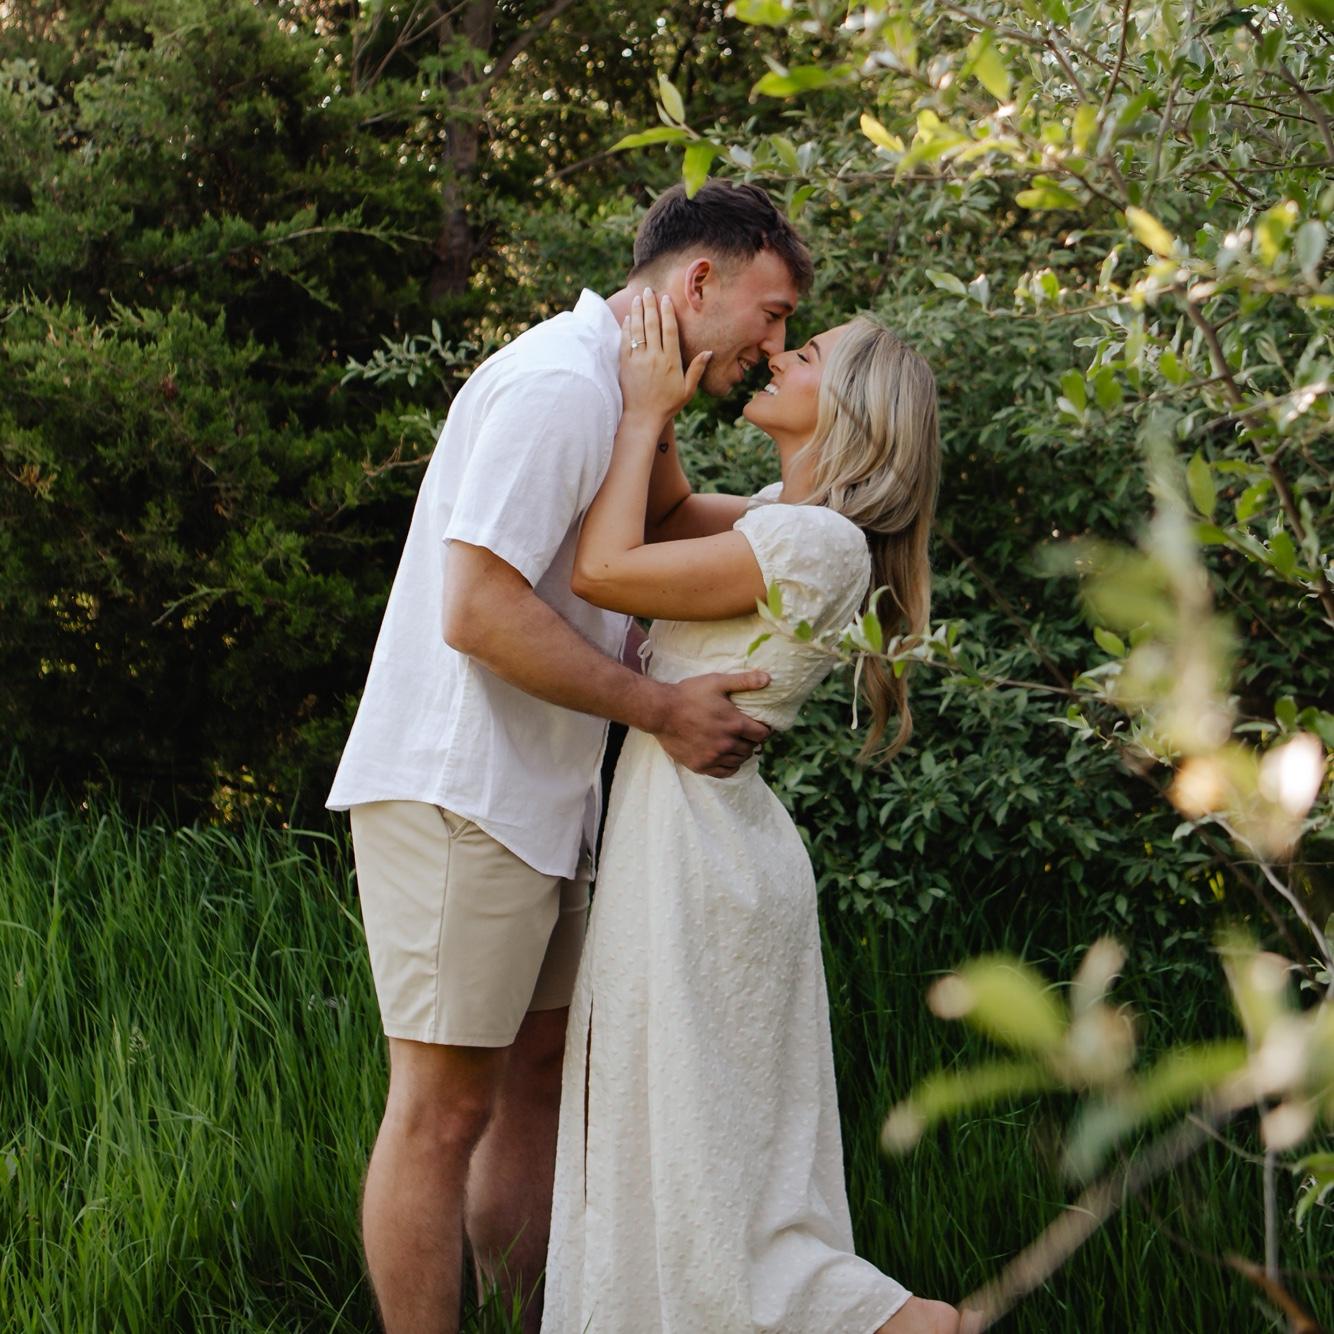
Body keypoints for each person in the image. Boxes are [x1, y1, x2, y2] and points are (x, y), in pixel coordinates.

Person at [325, 181, 815, 1334]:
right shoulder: (559, 384)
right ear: (700, 280)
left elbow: (669, 526)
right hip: (461, 790)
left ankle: (526, 1315)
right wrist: (660, 708)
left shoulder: (629, 391)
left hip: (545, 796)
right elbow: (477, 610)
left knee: (540, 1075)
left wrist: (822, 520)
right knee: (441, 1109)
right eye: (772, 313)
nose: (772, 343)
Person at [542, 289, 974, 1332]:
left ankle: (914, 1324)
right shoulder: (787, 522)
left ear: (853, 408)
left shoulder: (815, 545)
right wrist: (662, 388)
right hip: (684, 840)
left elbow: (606, 568)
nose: (778, 355)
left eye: (806, 353)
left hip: (701, 856)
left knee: (711, 1176)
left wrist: (646, 410)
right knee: (678, 1147)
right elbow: (663, 517)